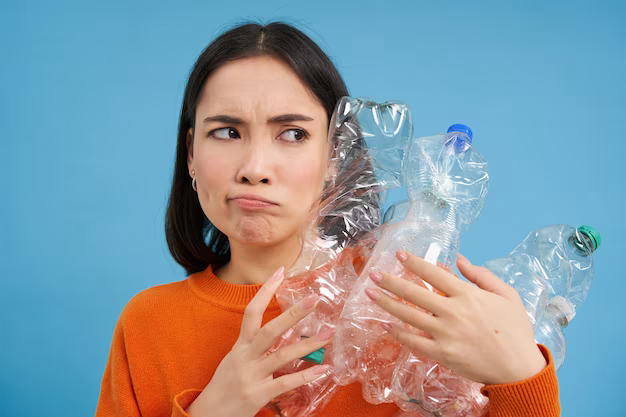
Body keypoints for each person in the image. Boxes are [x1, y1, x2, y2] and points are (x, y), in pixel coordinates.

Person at [94, 21, 561, 417]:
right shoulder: (149, 324)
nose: (255, 168)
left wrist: (520, 377)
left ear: (336, 157)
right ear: (191, 154)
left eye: (293, 133)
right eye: (227, 131)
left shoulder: (409, 309)